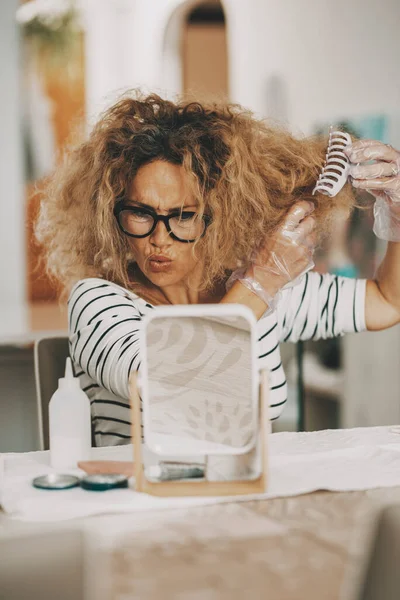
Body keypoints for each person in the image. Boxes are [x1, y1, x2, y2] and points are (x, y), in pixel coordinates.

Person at [36, 92, 400, 447]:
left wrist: (398, 217)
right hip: (141, 502)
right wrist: (258, 285)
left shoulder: (251, 288)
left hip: (239, 493)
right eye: (141, 213)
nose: (159, 239)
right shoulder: (97, 301)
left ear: (222, 216)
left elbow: (387, 302)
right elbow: (163, 385)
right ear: (111, 213)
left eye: (183, 216)